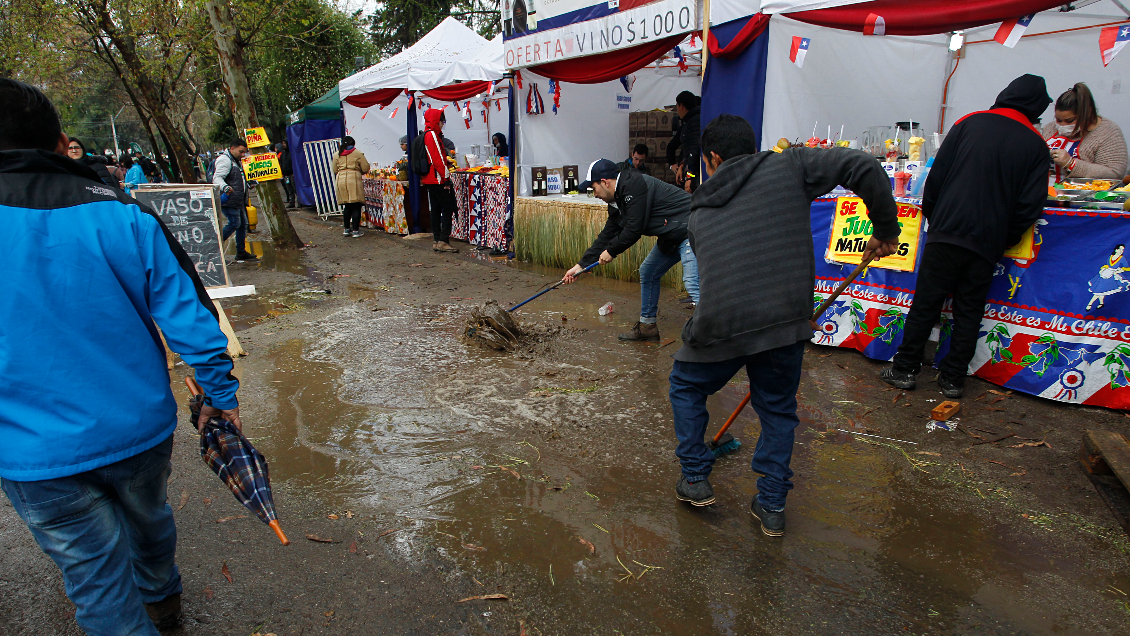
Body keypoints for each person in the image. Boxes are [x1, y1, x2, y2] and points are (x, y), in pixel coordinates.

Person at [0, 77, 243, 636]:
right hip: (139, 430)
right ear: (60, 141)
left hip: (31, 452)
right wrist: (219, 399)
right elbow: (194, 322)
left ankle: (148, 609)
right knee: (150, 518)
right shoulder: (124, 215)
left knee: (97, 586)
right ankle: (163, 600)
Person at [669, 114, 900, 537]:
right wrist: (886, 228)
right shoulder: (789, 165)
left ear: (713, 159)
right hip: (783, 321)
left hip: (724, 321)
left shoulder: (697, 215)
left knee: (686, 385)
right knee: (776, 409)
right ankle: (771, 506)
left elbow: (716, 278)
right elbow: (864, 166)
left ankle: (696, 478)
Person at [881, 74, 1052, 399]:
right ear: (1036, 108)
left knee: (926, 302)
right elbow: (1030, 205)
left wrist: (936, 217)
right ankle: (953, 379)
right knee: (969, 309)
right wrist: (1003, 236)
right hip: (987, 240)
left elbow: (936, 178)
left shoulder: (969, 123)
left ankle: (904, 369)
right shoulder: (1036, 145)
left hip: (947, 230)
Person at [562, 158, 700, 340]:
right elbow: (607, 235)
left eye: (593, 188)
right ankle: (647, 328)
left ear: (605, 182)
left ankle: (712, 336)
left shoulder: (634, 185)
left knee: (692, 282)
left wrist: (611, 252)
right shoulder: (617, 201)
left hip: (692, 228)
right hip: (672, 235)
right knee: (648, 271)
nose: (594, 194)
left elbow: (634, 229)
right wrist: (580, 266)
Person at [1042, 82, 1128, 182]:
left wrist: (1072, 164)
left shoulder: (1108, 132)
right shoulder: (1050, 128)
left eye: (1070, 121)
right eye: (1058, 120)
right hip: (1047, 190)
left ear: (1088, 113)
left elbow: (1115, 173)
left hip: (1085, 192)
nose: (1062, 125)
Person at [211, 138, 259, 262]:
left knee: (243, 225)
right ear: (232, 148)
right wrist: (226, 188)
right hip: (230, 199)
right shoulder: (225, 160)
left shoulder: (235, 160)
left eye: (244, 152)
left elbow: (238, 178)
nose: (243, 154)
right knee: (234, 224)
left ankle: (241, 252)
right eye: (241, 151)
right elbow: (217, 178)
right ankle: (214, 248)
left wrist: (248, 184)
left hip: (238, 200)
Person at [421, 108, 459, 253]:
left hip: (430, 178)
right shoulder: (432, 135)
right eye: (442, 121)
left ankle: (437, 240)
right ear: (437, 121)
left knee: (436, 209)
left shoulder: (426, 134)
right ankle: (443, 239)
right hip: (437, 178)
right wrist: (446, 176)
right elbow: (437, 158)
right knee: (447, 207)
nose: (443, 124)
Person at [333, 135, 370, 238]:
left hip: (340, 179)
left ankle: (346, 229)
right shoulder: (357, 153)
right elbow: (365, 167)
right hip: (353, 179)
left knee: (347, 205)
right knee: (356, 205)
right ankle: (355, 230)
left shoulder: (337, 154)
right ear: (353, 144)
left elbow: (334, 170)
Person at [675, 91, 701, 193]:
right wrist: (682, 164)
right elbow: (687, 150)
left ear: (681, 105)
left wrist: (690, 177)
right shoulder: (689, 121)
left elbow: (694, 149)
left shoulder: (694, 122)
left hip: (696, 174)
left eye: (677, 106)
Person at [277, 140, 295, 207]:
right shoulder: (283, 154)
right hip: (286, 174)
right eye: (282, 143)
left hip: (292, 174)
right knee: (289, 189)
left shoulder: (292, 153)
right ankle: (292, 202)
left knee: (294, 188)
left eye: (284, 143)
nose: (283, 145)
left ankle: (299, 202)